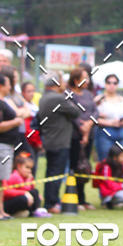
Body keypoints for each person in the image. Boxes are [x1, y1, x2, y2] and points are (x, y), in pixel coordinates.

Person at [37, 75, 82, 213]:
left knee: (50, 172)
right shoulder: (58, 98)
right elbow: (76, 111)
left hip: (49, 139)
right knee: (56, 173)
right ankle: (52, 203)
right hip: (60, 140)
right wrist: (67, 96)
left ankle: (50, 200)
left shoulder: (43, 98)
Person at [0, 73, 26, 220]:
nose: (10, 86)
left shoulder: (4, 101)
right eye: (8, 83)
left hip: (7, 145)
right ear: (1, 86)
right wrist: (15, 122)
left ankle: (0, 210)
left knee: (1, 179)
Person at [67, 67, 98, 210]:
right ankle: (73, 197)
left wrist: (90, 123)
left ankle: (83, 198)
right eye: (84, 78)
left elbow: (95, 111)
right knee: (75, 166)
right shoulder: (68, 94)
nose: (88, 81)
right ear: (76, 80)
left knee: (84, 166)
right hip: (74, 135)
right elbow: (72, 113)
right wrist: (82, 129)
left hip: (89, 133)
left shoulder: (88, 94)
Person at [94, 74, 123, 161]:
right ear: (105, 84)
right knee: (105, 160)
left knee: (119, 160)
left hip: (120, 131)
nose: (112, 85)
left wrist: (120, 122)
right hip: (104, 131)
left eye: (115, 83)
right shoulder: (99, 99)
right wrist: (110, 123)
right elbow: (93, 118)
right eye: (109, 82)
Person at [3, 152, 49, 217]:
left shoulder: (25, 177)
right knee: (23, 199)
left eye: (31, 168)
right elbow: (22, 189)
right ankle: (33, 211)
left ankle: (34, 211)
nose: (29, 171)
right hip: (8, 202)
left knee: (35, 192)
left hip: (18, 199)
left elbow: (31, 189)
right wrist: (26, 190)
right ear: (19, 166)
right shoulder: (15, 176)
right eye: (27, 168)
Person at [93, 145, 123, 209]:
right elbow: (108, 183)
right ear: (115, 158)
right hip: (109, 192)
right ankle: (108, 201)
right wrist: (122, 186)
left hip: (117, 190)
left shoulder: (120, 164)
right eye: (122, 156)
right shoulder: (106, 166)